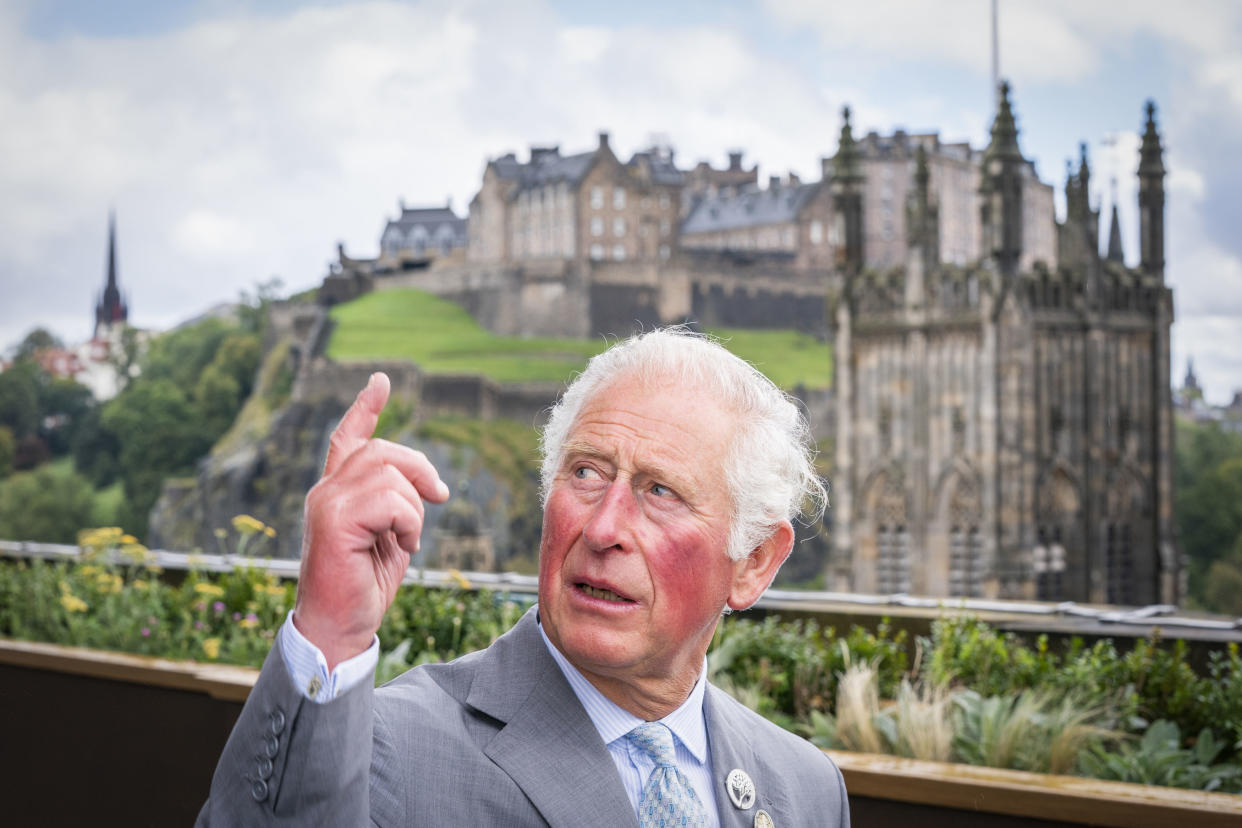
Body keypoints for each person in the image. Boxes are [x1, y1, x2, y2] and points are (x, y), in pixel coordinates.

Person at [198, 327, 850, 827]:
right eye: (586, 473)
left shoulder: (807, 789)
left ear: (755, 561)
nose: (602, 529)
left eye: (660, 491)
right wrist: (330, 633)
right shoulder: (384, 745)